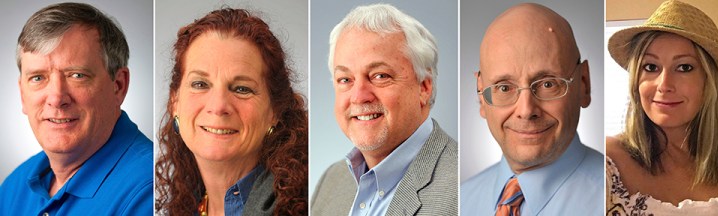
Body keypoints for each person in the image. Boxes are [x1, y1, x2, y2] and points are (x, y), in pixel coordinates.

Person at [0, 2, 153, 215]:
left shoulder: (149, 191)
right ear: (22, 95)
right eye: (37, 78)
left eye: (77, 75)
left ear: (118, 86)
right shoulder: (14, 187)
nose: (56, 98)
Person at [154, 8, 308, 216]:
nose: (218, 106)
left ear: (275, 111)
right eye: (200, 84)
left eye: (242, 89)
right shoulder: (189, 206)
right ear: (175, 102)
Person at [310, 3, 457, 215]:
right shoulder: (331, 181)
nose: (359, 96)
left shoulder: (458, 188)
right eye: (345, 79)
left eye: (380, 76)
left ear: (424, 87)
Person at [606, 0, 718, 214]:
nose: (664, 85)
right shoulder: (607, 162)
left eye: (684, 67)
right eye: (651, 67)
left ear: (708, 83)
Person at [461, 3, 604, 215]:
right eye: (504, 87)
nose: (526, 110)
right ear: (481, 95)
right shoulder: (461, 200)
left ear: (583, 84)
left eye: (548, 84)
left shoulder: (618, 198)